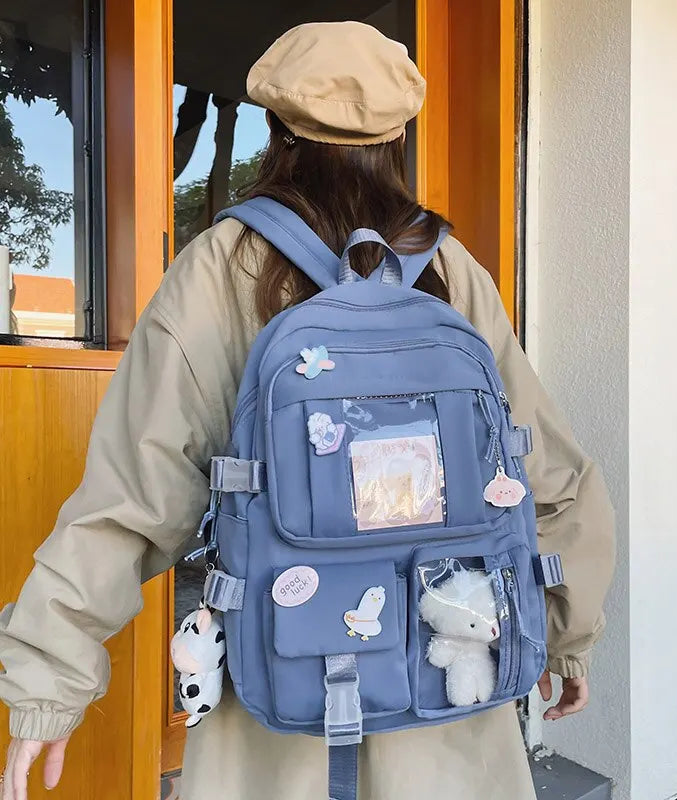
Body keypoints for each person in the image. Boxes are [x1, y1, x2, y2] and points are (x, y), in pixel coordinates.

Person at [0, 21, 615, 800]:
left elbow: (131, 498)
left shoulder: (220, 268)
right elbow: (548, 473)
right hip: (447, 672)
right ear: (399, 135)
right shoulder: (450, 271)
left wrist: (47, 681)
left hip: (283, 687)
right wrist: (565, 632)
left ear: (278, 128)